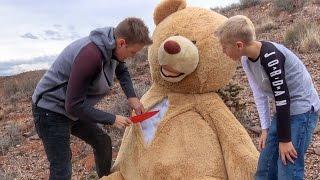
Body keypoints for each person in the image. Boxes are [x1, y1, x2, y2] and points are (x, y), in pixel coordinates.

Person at [31, 17, 152, 179]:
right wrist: (112, 118)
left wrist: (132, 97)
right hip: (50, 110)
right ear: (122, 43)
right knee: (62, 167)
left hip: (73, 107)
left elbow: (121, 69)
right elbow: (73, 105)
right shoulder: (91, 55)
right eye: (133, 52)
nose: (133, 57)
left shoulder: (113, 48)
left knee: (102, 141)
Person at [215, 15, 319, 180]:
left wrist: (285, 140)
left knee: (288, 171)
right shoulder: (246, 60)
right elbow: (259, 93)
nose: (223, 51)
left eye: (224, 47)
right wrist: (265, 128)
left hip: (303, 110)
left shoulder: (271, 57)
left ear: (239, 45)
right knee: (265, 169)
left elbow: (282, 97)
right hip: (284, 111)